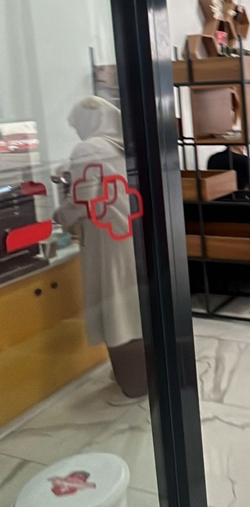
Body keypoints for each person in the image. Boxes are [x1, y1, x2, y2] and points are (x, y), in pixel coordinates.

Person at [56, 96, 147, 397]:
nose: (78, 132)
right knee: (133, 309)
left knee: (115, 311)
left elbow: (80, 201)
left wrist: (58, 217)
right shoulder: (121, 146)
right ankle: (141, 373)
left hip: (106, 244)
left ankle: (131, 379)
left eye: (78, 125)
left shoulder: (88, 149)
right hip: (129, 236)